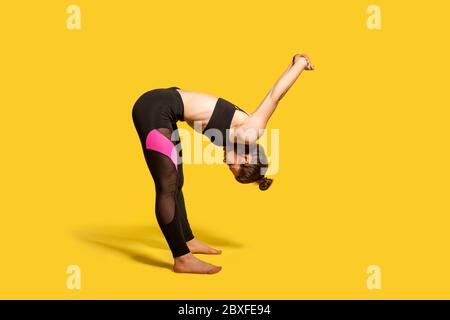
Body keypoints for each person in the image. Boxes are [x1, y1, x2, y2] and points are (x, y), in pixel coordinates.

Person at [131, 54, 315, 274]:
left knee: (176, 180)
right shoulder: (249, 133)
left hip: (165, 110)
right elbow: (275, 97)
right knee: (166, 185)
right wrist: (300, 65)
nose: (226, 164)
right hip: (155, 108)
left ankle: (187, 240)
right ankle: (181, 258)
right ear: (246, 158)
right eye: (232, 167)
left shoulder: (233, 137)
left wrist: (292, 63)